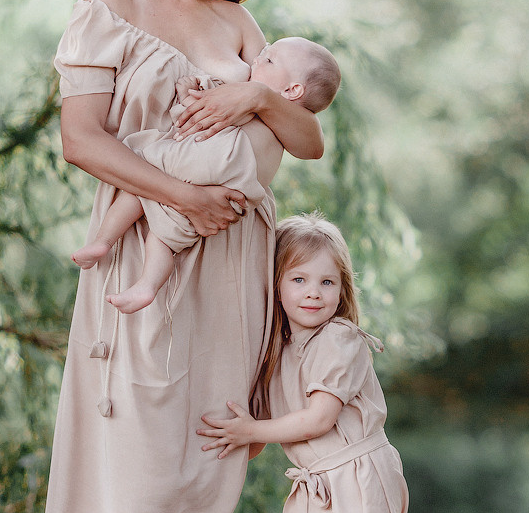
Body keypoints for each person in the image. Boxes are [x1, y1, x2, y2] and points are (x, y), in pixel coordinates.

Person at [31, 0, 324, 513]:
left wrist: (258, 95)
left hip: (231, 264)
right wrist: (181, 197)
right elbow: (81, 138)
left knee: (201, 469)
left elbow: (308, 140)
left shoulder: (236, 26)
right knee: (136, 460)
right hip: (144, 255)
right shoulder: (108, 1)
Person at [197, 213, 409, 513]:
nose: (313, 292)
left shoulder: (340, 340)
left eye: (327, 281)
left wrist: (251, 429)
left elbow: (318, 419)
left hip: (357, 478)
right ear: (275, 285)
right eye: (298, 279)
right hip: (320, 484)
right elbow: (260, 438)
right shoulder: (280, 349)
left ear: (342, 289)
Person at [71, 37, 341, 314]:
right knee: (164, 237)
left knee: (139, 168)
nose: (257, 60)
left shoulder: (252, 100)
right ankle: (147, 285)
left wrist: (188, 96)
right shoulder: (279, 120)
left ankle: (102, 242)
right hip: (235, 196)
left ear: (293, 89)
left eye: (268, 60)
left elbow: (203, 116)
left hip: (215, 161)